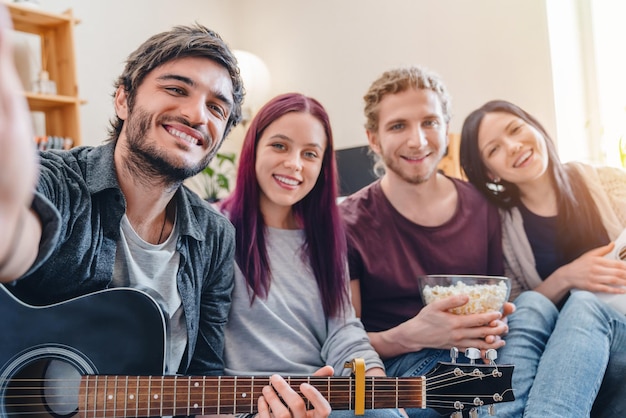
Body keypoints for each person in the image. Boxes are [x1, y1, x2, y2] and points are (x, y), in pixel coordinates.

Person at [0, 6, 330, 417]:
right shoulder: (62, 182)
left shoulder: (214, 236)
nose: (196, 115)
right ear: (123, 98)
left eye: (216, 108)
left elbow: (205, 381)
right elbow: (17, 231)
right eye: (176, 89)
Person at [338, 66, 514, 418]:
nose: (418, 141)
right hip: (404, 373)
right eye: (398, 126)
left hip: (481, 360)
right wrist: (413, 335)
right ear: (373, 138)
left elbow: (501, 301)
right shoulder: (348, 224)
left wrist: (498, 324)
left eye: (430, 123)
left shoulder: (483, 207)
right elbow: (343, 343)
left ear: (447, 130)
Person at [219, 92, 403, 418]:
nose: (294, 164)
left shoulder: (326, 239)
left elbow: (344, 330)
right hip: (250, 407)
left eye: (310, 154)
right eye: (280, 146)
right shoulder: (216, 231)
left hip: (322, 400)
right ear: (253, 149)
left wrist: (375, 383)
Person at [459, 99, 626, 417]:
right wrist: (568, 277)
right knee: (531, 305)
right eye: (494, 149)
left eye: (515, 129)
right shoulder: (503, 230)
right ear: (489, 171)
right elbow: (517, 316)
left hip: (619, 338)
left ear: (535, 126)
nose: (512, 146)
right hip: (561, 367)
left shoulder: (608, 183)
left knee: (584, 302)